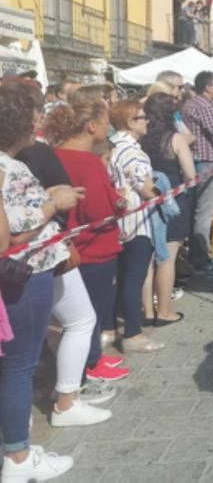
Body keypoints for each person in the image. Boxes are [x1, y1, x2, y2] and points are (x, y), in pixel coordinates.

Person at [0, 88, 85, 479]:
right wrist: (55, 203)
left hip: (21, 274)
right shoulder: (9, 168)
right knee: (19, 368)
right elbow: (14, 235)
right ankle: (18, 457)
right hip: (24, 274)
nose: (38, 123)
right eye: (34, 117)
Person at [45, 101, 130, 381]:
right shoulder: (89, 161)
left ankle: (92, 359)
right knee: (90, 313)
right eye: (106, 121)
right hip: (94, 247)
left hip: (69, 245)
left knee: (80, 314)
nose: (109, 128)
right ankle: (89, 365)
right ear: (92, 126)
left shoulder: (54, 155)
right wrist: (119, 201)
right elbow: (99, 210)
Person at [109, 100, 164, 353]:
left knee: (119, 279)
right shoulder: (132, 151)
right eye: (143, 117)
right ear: (131, 122)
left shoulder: (111, 147)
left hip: (116, 220)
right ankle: (133, 334)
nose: (148, 121)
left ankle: (109, 328)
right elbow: (145, 188)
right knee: (133, 279)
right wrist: (163, 193)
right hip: (135, 221)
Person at [140, 94, 194, 325]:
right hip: (173, 197)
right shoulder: (176, 139)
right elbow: (191, 175)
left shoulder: (139, 139)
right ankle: (164, 310)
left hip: (145, 198)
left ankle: (147, 311)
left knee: (147, 258)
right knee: (167, 258)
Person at [182, 71, 213, 275]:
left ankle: (197, 254)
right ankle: (200, 258)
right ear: (208, 87)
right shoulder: (203, 105)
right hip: (207, 161)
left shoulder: (194, 104)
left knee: (198, 210)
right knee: (204, 212)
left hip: (198, 160)